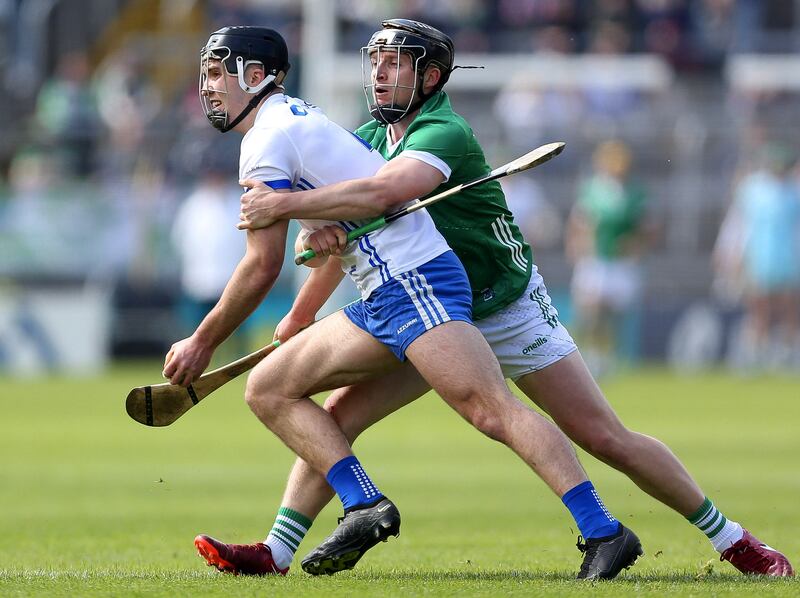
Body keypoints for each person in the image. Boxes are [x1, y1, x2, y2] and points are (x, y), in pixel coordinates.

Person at [233, 19, 794, 578]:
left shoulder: (441, 132)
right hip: (427, 309)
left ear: (429, 77)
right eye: (374, 60)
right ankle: (277, 551)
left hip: (504, 305)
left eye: (395, 61)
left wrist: (289, 211)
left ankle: (734, 541)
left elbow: (384, 193)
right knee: (338, 417)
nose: (378, 72)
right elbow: (359, 232)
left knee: (604, 436)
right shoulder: (369, 141)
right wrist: (306, 298)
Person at [169, 25, 639, 581]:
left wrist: (203, 340)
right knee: (272, 389)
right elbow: (333, 215)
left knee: (491, 411)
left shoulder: (266, 139)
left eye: (218, 73)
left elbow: (260, 265)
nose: (208, 87)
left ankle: (605, 532)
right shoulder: (295, 120)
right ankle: (301, 538)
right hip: (384, 289)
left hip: (415, 283)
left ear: (255, 75)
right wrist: (314, 244)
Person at [565, 140, 650, 375]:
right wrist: (577, 245)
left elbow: (645, 228)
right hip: (595, 258)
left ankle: (606, 355)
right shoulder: (592, 189)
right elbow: (580, 222)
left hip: (621, 262)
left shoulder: (635, 193)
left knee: (613, 313)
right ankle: (588, 354)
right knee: (590, 309)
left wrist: (637, 246)